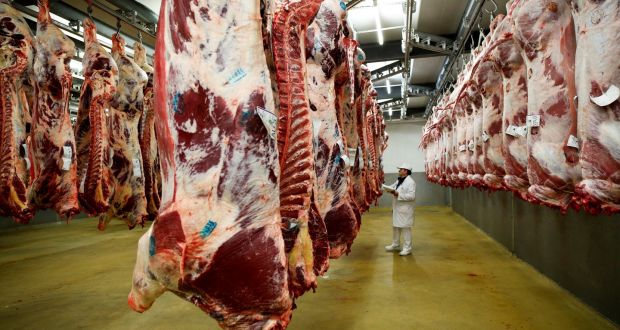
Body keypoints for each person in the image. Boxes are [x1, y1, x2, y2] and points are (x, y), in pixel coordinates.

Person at [384, 163, 416, 256]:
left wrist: (398, 194)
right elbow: (392, 187)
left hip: (405, 209)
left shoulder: (411, 182)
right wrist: (383, 187)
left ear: (406, 171)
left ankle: (407, 248)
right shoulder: (400, 180)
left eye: (401, 169)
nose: (399, 171)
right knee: (396, 227)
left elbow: (412, 196)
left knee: (405, 228)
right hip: (397, 208)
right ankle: (395, 244)